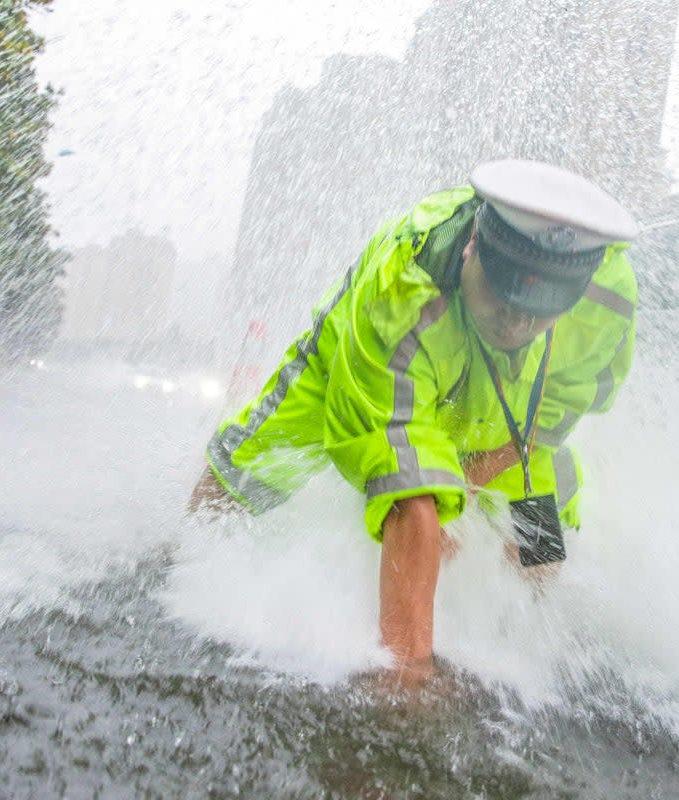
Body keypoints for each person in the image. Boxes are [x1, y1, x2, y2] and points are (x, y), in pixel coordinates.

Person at [190, 159, 637, 686]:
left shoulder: (606, 300)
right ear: (473, 245)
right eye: (506, 296)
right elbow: (413, 503)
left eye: (541, 310)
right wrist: (408, 679)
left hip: (509, 403)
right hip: (364, 359)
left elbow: (547, 427)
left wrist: (466, 489)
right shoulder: (398, 296)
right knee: (247, 473)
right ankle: (184, 556)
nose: (517, 322)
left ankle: (533, 619)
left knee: (542, 519)